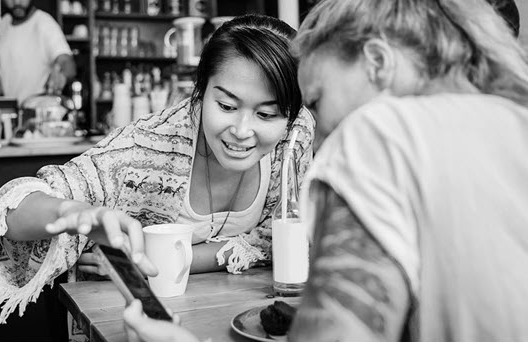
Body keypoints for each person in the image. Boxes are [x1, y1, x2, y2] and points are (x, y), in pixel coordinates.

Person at [122, 0, 528, 341]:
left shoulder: (378, 136)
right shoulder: (512, 120)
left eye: (316, 101)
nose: (317, 138)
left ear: (378, 63)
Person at [0, 14, 314, 326]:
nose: (241, 130)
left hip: (230, 312)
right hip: (126, 318)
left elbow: (273, 240)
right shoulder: (145, 147)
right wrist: (76, 213)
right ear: (200, 92)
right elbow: (12, 215)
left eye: (266, 114)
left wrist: (154, 258)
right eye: (226, 105)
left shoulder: (294, 137)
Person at [0, 0, 76, 104]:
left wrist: (61, 76)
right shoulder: (4, 23)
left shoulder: (44, 23)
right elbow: (11, 72)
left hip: (39, 110)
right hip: (12, 110)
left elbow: (66, 61)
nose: (16, 2)